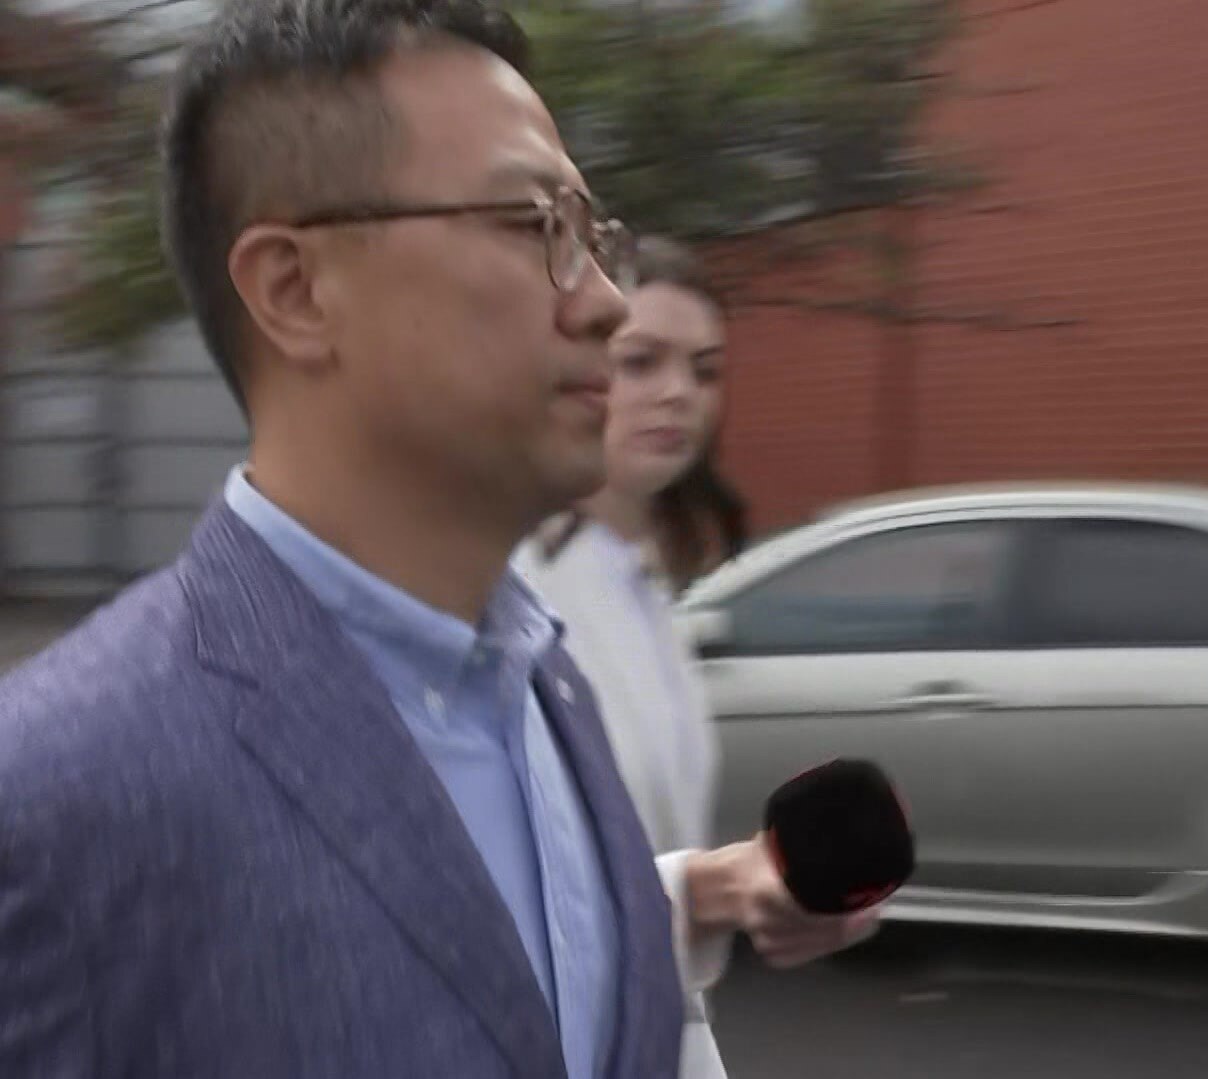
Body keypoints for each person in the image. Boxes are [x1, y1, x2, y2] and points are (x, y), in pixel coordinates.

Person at [0, 4, 867, 1076]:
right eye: (532, 224)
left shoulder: (550, 684)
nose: (607, 302)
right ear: (295, 290)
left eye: (592, 236)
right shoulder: (57, 788)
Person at [518, 237, 878, 1079]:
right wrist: (708, 889)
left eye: (704, 369)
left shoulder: (647, 590)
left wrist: (742, 888)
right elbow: (503, 891)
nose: (678, 391)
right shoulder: (510, 592)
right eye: (641, 360)